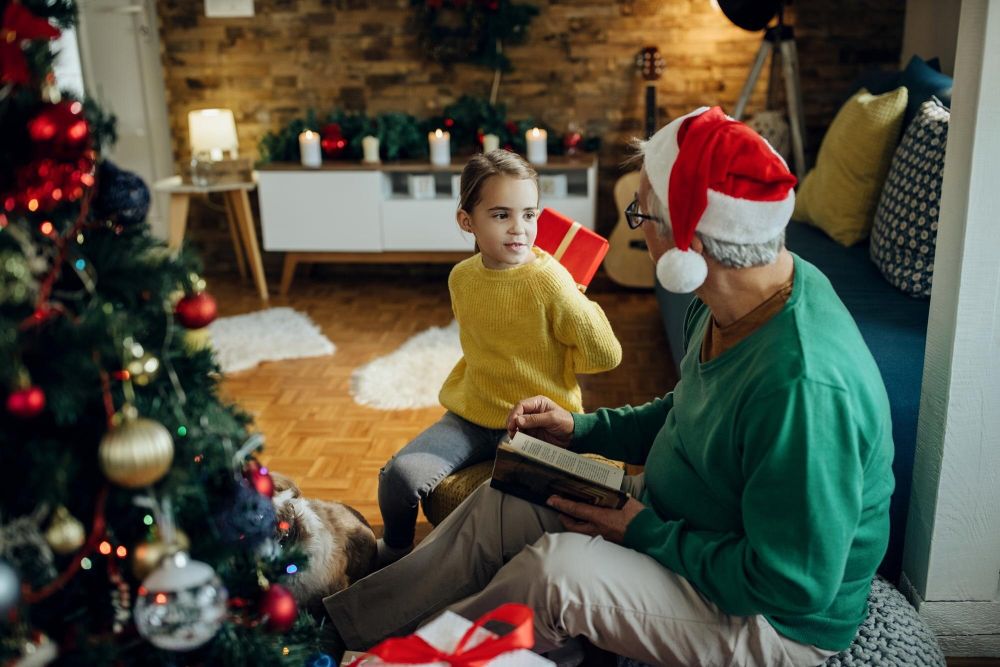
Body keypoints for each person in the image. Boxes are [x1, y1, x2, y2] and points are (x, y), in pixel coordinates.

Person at [324, 108, 894, 667]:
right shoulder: (727, 301)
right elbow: (688, 409)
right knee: (508, 495)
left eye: (641, 217)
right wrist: (583, 430)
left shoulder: (805, 388)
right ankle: (340, 631)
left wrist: (641, 530)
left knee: (554, 575)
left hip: (768, 619)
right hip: (682, 516)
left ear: (687, 248)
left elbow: (792, 586)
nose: (638, 229)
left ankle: (399, 662)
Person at [374, 149, 622, 565]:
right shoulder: (461, 278)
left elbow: (606, 355)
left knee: (540, 507)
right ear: (466, 221)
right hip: (471, 416)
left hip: (538, 425)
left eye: (530, 214)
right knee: (399, 478)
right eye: (501, 215)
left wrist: (570, 296)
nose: (520, 230)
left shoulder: (549, 281)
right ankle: (394, 549)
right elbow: (485, 346)